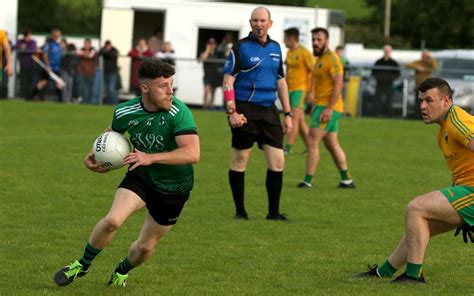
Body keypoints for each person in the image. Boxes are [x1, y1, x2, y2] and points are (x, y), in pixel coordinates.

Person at [53, 59, 200, 288]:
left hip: (174, 187)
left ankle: (121, 271)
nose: (171, 91)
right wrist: (94, 152)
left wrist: (150, 157)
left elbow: (192, 153)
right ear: (145, 88)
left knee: (145, 247)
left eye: (171, 84)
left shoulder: (178, 112)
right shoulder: (125, 110)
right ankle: (82, 265)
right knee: (112, 220)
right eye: (163, 86)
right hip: (141, 175)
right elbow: (113, 131)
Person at [358, 77, 474, 284]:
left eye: (429, 100)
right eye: (420, 100)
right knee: (420, 224)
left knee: (416, 208)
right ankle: (382, 272)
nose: (422, 106)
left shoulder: (457, 121)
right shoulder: (443, 131)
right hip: (465, 190)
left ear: (446, 101)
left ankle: (413, 276)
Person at [223, 6, 292, 220]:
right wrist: (232, 111)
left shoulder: (275, 48)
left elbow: (281, 81)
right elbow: (228, 81)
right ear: (250, 23)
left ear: (270, 23)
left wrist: (288, 113)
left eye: (263, 20)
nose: (259, 24)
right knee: (241, 158)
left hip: (269, 111)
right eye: (255, 21)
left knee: (278, 161)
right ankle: (240, 212)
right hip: (244, 109)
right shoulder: (240, 47)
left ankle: (273, 213)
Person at [297, 27, 355, 189]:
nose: (315, 43)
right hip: (322, 105)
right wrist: (312, 95)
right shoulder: (320, 59)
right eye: (314, 39)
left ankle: (307, 181)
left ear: (327, 41)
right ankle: (347, 180)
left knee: (311, 139)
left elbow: (338, 83)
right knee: (331, 144)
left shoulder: (333, 58)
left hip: (329, 107)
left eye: (319, 40)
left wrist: (329, 109)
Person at [282, 27, 314, 155]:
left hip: (301, 90)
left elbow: (314, 72)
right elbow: (288, 73)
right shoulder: (289, 53)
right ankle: (311, 147)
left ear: (291, 38)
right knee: (300, 122)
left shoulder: (305, 53)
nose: (284, 41)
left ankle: (288, 148)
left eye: (285, 38)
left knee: (293, 119)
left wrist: (312, 92)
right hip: (290, 90)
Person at [30, 29, 63, 102]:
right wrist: (48, 66)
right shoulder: (49, 44)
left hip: (56, 68)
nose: (59, 36)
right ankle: (31, 97)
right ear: (54, 35)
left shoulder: (58, 44)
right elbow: (45, 55)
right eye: (58, 35)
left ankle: (61, 101)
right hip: (49, 68)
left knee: (58, 83)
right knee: (43, 82)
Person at [406, 50, 438, 119]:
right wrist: (417, 67)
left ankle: (427, 116)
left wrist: (431, 59)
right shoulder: (418, 62)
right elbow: (407, 65)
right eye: (423, 56)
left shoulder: (430, 63)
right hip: (419, 86)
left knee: (427, 103)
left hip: (428, 88)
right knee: (418, 102)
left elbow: (435, 66)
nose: (424, 58)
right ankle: (417, 116)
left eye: (426, 56)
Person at [372, 44, 400, 117]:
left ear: (390, 51)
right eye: (385, 50)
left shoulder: (394, 63)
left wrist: (391, 79)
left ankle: (389, 115)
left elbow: (397, 74)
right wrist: (379, 78)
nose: (387, 52)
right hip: (379, 84)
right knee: (377, 100)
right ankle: (376, 114)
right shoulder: (378, 62)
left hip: (390, 84)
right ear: (383, 51)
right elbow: (374, 72)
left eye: (388, 50)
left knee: (389, 100)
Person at [200, 38, 223, 109]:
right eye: (210, 44)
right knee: (206, 91)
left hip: (215, 75)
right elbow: (203, 58)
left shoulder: (217, 53)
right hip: (207, 75)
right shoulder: (204, 53)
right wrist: (207, 49)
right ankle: (205, 106)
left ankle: (211, 106)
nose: (211, 45)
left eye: (213, 44)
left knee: (213, 93)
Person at [15, 29, 37, 100]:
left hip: (31, 65)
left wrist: (25, 48)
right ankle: (24, 96)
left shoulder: (33, 42)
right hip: (23, 65)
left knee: (30, 81)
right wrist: (20, 47)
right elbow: (15, 47)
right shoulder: (20, 42)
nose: (29, 37)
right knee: (24, 81)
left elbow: (32, 49)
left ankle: (30, 96)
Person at [76, 38, 97, 104]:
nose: (86, 45)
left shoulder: (93, 50)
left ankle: (90, 102)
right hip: (82, 72)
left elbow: (91, 56)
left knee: (91, 89)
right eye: (85, 44)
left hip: (91, 72)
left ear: (90, 44)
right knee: (83, 88)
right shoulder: (80, 49)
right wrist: (86, 54)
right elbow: (77, 53)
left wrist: (84, 54)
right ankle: (84, 101)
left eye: (88, 44)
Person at [99, 40, 120, 104]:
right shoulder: (104, 50)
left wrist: (106, 52)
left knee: (112, 89)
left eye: (108, 46)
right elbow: (100, 52)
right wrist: (106, 51)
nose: (108, 47)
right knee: (107, 89)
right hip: (105, 72)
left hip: (113, 72)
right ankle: (109, 102)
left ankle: (113, 102)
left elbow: (112, 55)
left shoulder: (114, 50)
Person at [0, 29, 13, 99]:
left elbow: (7, 49)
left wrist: (9, 64)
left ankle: (3, 97)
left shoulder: (1, 34)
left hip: (1, 66)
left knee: (4, 82)